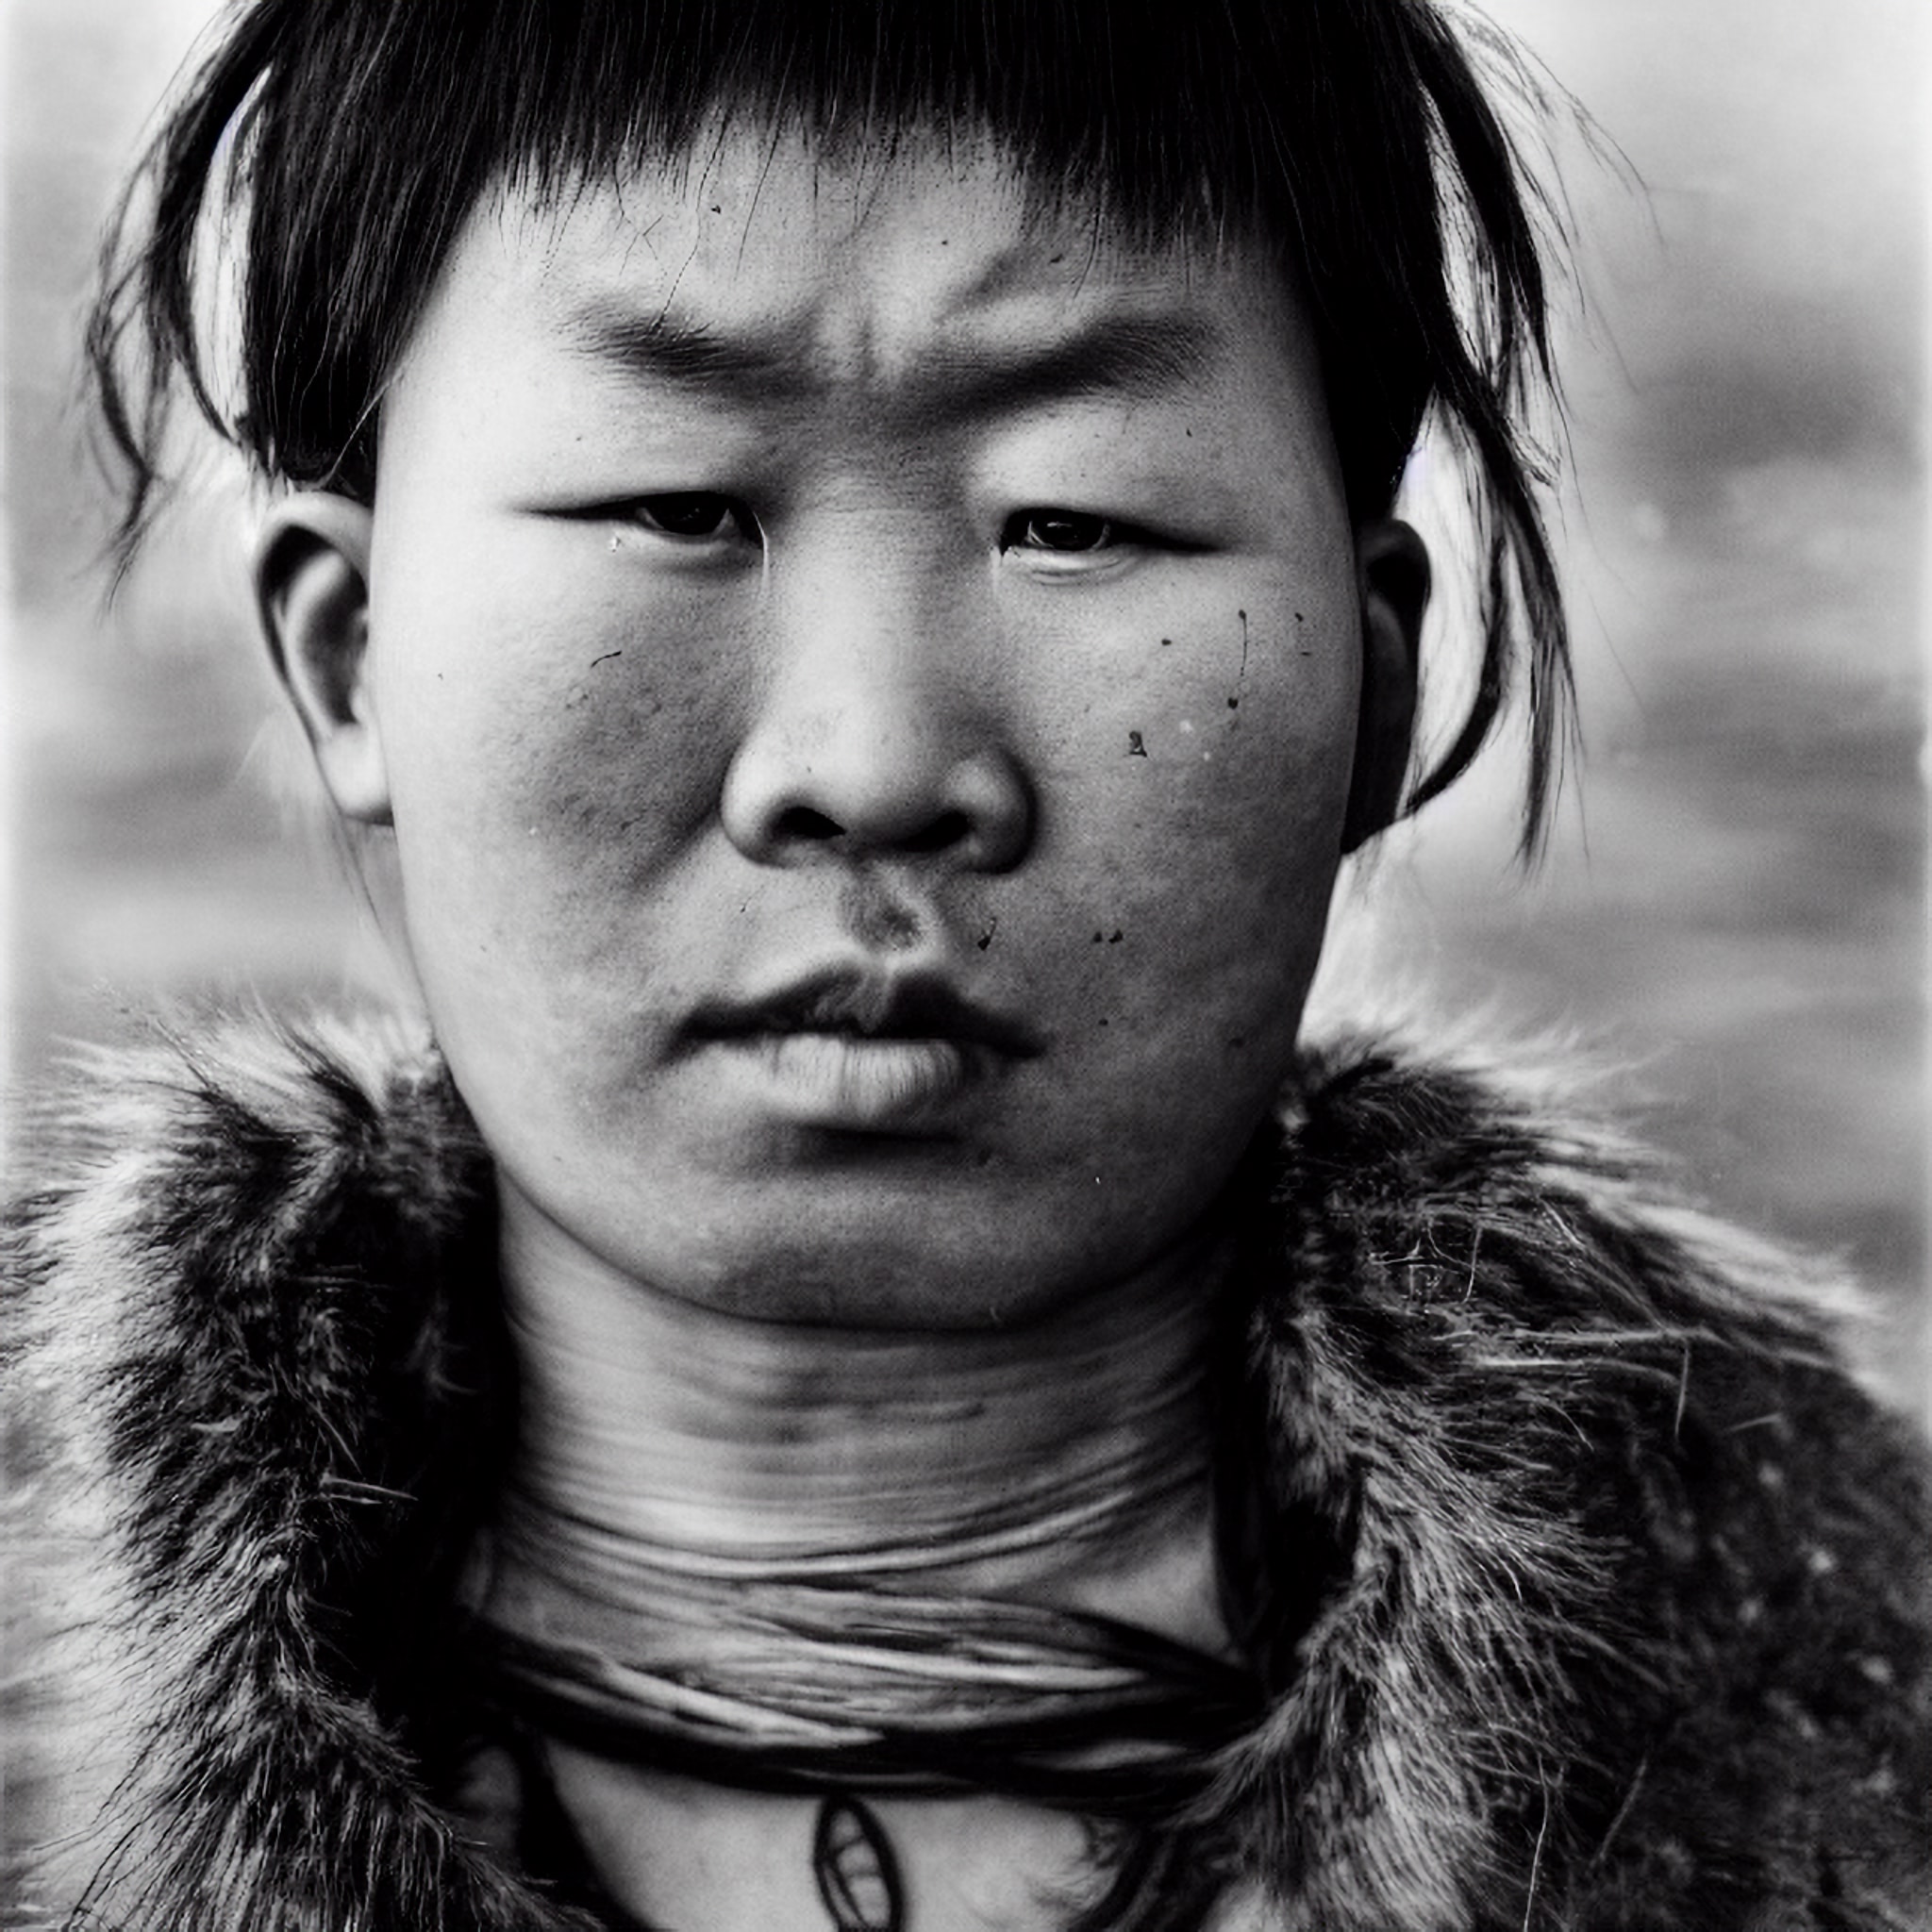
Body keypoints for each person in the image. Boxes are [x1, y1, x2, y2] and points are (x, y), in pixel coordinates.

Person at [6, 3, 1928, 1928]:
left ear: (1374, 686)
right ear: (347, 657)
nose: (871, 767)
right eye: (678, 508)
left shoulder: (1853, 1676)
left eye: (1076, 520)